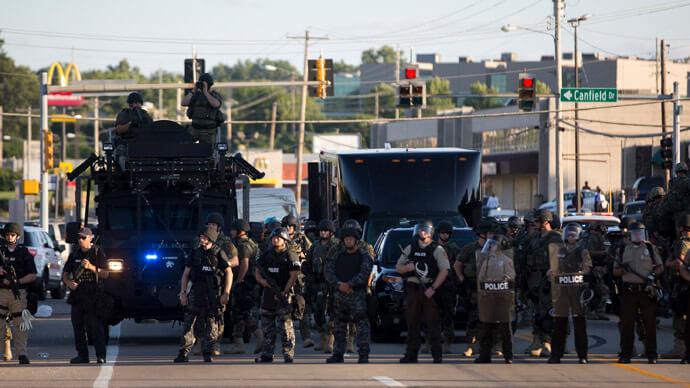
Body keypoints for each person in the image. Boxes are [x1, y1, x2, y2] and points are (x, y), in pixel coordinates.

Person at [174, 226, 232, 363]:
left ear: (211, 238)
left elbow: (229, 272)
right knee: (188, 322)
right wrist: (183, 293)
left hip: (213, 292)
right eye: (200, 237)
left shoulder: (219, 253)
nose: (202, 239)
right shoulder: (195, 253)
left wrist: (226, 292)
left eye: (204, 237)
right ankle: (184, 352)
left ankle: (207, 351)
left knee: (212, 323)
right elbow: (186, 274)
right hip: (196, 291)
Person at [396, 221, 450, 363]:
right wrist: (407, 268)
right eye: (420, 230)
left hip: (429, 289)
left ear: (430, 232)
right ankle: (411, 355)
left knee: (433, 324)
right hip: (413, 290)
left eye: (424, 230)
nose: (422, 233)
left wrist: (433, 289)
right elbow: (398, 267)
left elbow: (444, 270)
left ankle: (437, 355)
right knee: (412, 323)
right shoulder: (410, 248)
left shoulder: (437, 249)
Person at [613, 222, 663, 364]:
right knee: (627, 324)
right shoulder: (622, 250)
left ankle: (651, 354)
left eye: (640, 233)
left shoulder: (650, 248)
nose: (637, 236)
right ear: (630, 235)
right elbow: (615, 271)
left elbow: (660, 267)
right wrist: (624, 270)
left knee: (650, 324)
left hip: (646, 291)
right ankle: (626, 354)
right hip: (629, 291)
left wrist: (653, 275)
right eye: (634, 233)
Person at [325, 226, 373, 363]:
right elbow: (328, 272)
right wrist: (339, 285)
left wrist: (350, 285)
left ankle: (363, 354)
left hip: (357, 295)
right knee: (339, 326)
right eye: (346, 239)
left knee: (362, 326)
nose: (348, 242)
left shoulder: (364, 255)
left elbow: (365, 273)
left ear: (356, 241)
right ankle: (338, 354)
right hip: (340, 295)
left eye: (351, 239)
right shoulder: (337, 255)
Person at [547, 223, 592, 364]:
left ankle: (582, 355)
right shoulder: (559, 250)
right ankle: (556, 354)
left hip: (577, 289)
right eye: (568, 233)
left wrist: (579, 273)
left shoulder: (582, 251)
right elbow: (553, 268)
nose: (570, 236)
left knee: (579, 322)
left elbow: (587, 268)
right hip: (562, 290)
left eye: (573, 234)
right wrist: (551, 272)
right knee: (559, 322)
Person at [63, 227, 110, 364]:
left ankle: (101, 355)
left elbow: (106, 274)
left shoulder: (97, 253)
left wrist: (91, 267)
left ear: (90, 238)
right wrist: (69, 283)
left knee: (95, 326)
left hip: (93, 293)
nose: (80, 240)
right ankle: (82, 355)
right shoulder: (74, 254)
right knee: (77, 325)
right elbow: (65, 274)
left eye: (83, 237)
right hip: (78, 293)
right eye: (79, 238)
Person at [254, 228, 301, 363]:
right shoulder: (267, 255)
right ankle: (267, 353)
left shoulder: (290, 255)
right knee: (267, 326)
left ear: (285, 240)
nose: (275, 240)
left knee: (285, 326)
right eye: (274, 238)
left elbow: (294, 275)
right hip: (268, 294)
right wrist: (264, 282)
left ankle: (288, 353)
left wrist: (284, 292)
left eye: (279, 238)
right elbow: (257, 271)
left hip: (283, 294)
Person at [523, 209, 561, 357]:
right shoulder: (534, 238)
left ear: (546, 221)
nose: (535, 224)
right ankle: (536, 341)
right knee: (536, 312)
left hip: (548, 280)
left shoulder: (555, 238)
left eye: (538, 221)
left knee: (547, 313)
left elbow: (561, 258)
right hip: (534, 279)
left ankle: (547, 343)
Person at [454, 218, 494, 357]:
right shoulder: (470, 248)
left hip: (492, 288)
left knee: (493, 317)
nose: (492, 235)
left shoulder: (496, 248)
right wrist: (462, 280)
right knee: (473, 317)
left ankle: (494, 345)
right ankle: (471, 344)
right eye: (489, 233)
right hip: (474, 288)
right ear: (482, 233)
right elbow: (457, 264)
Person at [474, 235, 516, 364]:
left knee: (505, 327)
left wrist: (501, 279)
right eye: (490, 244)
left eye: (493, 244)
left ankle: (508, 355)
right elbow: (481, 276)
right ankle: (484, 355)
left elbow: (511, 276)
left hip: (503, 297)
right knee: (487, 327)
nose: (491, 247)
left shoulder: (506, 260)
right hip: (489, 296)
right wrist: (485, 280)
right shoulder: (487, 260)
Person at [225, 219, 264, 355]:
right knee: (239, 313)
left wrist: (239, 281)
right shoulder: (253, 244)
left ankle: (260, 337)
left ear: (240, 231)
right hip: (252, 283)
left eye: (233, 230)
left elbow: (245, 264)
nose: (231, 232)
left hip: (246, 284)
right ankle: (239, 344)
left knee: (241, 313)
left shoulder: (243, 246)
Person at [0, 223, 37, 365]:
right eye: (7, 234)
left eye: (12, 235)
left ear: (18, 236)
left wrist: (17, 282)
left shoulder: (23, 253)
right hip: (2, 292)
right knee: (1, 324)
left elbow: (33, 275)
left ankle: (22, 354)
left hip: (18, 293)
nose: (9, 237)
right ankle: (4, 351)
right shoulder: (1, 251)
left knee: (20, 324)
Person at [202, 213, 238, 356]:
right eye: (209, 224)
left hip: (219, 283)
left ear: (219, 227)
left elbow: (236, 261)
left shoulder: (225, 242)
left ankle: (216, 343)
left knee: (218, 314)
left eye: (213, 225)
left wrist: (223, 265)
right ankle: (200, 343)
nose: (210, 227)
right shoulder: (201, 239)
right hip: (202, 282)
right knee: (200, 314)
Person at [303, 219, 340, 353]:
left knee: (330, 311)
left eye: (326, 231)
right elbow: (308, 262)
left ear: (331, 232)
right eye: (321, 230)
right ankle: (323, 339)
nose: (323, 233)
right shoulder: (315, 245)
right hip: (316, 282)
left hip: (330, 283)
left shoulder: (336, 245)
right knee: (317, 312)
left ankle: (330, 340)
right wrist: (308, 272)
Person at [281, 215, 313, 348]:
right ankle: (288, 338)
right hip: (285, 277)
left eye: (291, 226)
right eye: (286, 226)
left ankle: (306, 337)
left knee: (302, 307)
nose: (288, 228)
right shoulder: (281, 237)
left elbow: (311, 251)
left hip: (299, 278)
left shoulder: (301, 238)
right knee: (285, 308)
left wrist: (303, 255)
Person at [662, 214, 690, 359]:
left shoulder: (682, 243)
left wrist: (668, 263)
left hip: (681, 283)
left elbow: (680, 264)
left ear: (680, 228)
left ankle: (679, 347)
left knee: (679, 314)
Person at [436, 220, 461, 354]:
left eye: (447, 233)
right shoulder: (433, 247)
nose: (445, 235)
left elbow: (459, 265)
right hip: (434, 285)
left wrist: (457, 282)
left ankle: (447, 342)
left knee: (448, 314)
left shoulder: (454, 248)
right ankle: (430, 341)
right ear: (438, 233)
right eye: (443, 233)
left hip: (448, 285)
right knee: (432, 315)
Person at [181, 73, 224, 143]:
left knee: (207, 151)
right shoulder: (195, 95)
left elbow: (216, 104)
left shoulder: (214, 95)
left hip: (209, 131)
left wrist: (206, 92)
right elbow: (183, 103)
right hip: (194, 129)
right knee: (186, 146)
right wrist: (193, 90)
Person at [114, 92, 153, 169]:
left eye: (138, 103)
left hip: (142, 143)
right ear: (130, 104)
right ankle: (125, 173)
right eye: (134, 103)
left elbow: (152, 129)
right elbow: (119, 129)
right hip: (127, 143)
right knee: (121, 156)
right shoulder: (125, 114)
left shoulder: (144, 114)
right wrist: (130, 124)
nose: (136, 105)